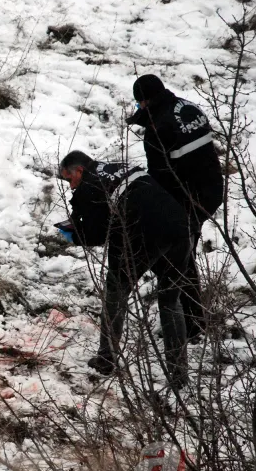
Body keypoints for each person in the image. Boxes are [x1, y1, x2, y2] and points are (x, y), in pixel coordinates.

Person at [58, 151, 191, 387]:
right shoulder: (119, 167)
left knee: (115, 294)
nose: (70, 186)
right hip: (180, 226)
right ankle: (179, 375)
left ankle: (106, 360)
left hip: (140, 233)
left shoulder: (89, 185)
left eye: (69, 179)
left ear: (79, 171)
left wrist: (74, 235)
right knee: (171, 300)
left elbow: (97, 234)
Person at [126, 74, 223, 342]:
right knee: (185, 252)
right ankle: (192, 320)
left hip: (187, 198)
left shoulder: (156, 130)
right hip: (212, 190)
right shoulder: (187, 107)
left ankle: (191, 324)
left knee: (179, 257)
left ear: (143, 102)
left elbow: (162, 179)